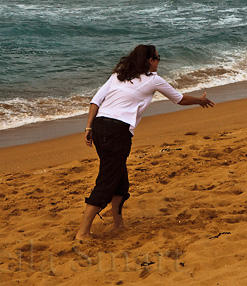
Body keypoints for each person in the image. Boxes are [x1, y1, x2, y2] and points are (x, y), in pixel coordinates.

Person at [75, 44, 214, 241]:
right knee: (107, 179)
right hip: (117, 132)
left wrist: (89, 128)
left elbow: (95, 101)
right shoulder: (153, 79)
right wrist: (200, 100)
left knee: (120, 178)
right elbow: (179, 99)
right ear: (150, 60)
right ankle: (83, 232)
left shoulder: (118, 76)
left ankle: (118, 224)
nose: (159, 61)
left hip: (100, 127)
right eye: (158, 57)